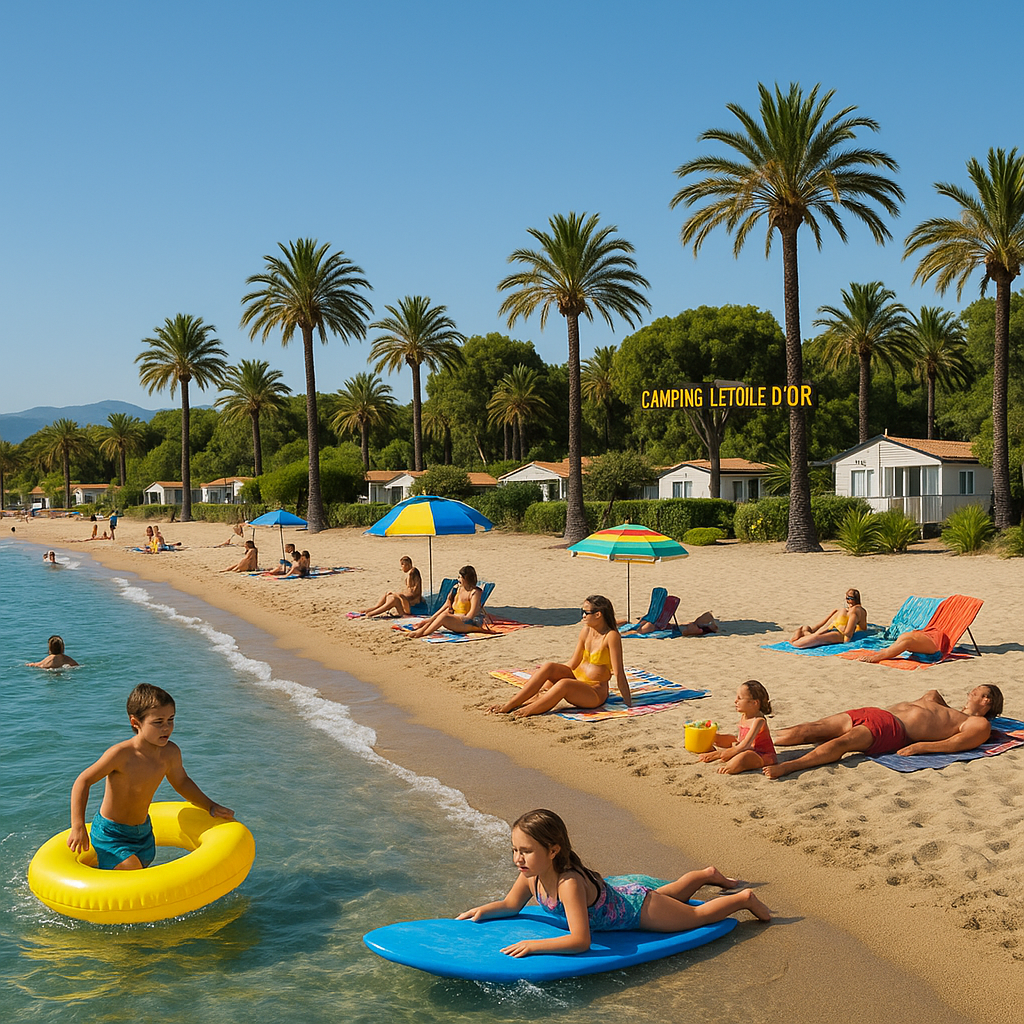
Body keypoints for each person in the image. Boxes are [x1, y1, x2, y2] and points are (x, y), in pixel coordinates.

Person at [457, 808, 769, 956]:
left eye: (526, 851)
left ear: (553, 850)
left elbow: (580, 941)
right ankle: (705, 875)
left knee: (696, 916)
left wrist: (534, 946)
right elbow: (511, 905)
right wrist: (482, 911)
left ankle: (744, 900)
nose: (518, 858)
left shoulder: (568, 884)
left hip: (637, 910)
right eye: (514, 850)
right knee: (673, 895)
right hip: (620, 896)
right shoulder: (531, 876)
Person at [67, 684, 233, 870]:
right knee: (131, 870)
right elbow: (83, 781)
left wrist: (210, 805)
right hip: (111, 834)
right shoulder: (121, 755)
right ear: (135, 722)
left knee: (136, 877)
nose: (166, 727)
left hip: (143, 832)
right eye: (158, 722)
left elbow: (181, 782)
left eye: (171, 720)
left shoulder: (170, 753)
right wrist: (78, 825)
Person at [763, 686, 1004, 779]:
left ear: (988, 701)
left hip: (892, 729)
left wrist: (921, 747)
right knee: (809, 729)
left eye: (979, 691)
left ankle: (789, 766)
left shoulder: (977, 724)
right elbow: (935, 707)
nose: (972, 691)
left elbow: (956, 744)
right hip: (875, 713)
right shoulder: (945, 706)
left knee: (841, 744)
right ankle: (755, 742)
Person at [488, 595, 631, 717]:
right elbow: (573, 663)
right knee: (549, 666)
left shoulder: (611, 636)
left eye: (586, 612)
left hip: (594, 692)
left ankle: (526, 711)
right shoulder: (586, 631)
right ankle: (511, 704)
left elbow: (618, 672)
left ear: (598, 614)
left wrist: (628, 702)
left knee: (564, 684)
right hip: (576, 679)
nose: (582, 615)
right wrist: (548, 679)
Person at [698, 680, 777, 774]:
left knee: (744, 757)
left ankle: (724, 758)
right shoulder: (744, 716)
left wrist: (732, 751)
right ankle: (720, 753)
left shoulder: (758, 721)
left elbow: (746, 744)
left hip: (761, 755)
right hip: (745, 748)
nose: (736, 701)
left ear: (754, 703)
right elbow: (740, 740)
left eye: (740, 698)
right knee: (720, 738)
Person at [406, 565, 488, 639]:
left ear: (466, 579)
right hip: (457, 619)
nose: (458, 579)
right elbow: (446, 605)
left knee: (444, 616)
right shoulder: (456, 588)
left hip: (469, 623)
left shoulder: (475, 592)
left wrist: (455, 616)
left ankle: (422, 633)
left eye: (460, 577)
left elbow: (471, 615)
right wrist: (429, 620)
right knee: (444, 613)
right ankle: (421, 630)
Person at [789, 588, 866, 648]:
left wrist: (846, 642)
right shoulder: (857, 611)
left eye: (847, 598)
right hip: (837, 631)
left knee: (813, 636)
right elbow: (849, 632)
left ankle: (806, 632)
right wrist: (846, 644)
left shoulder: (849, 611)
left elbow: (848, 633)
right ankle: (804, 634)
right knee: (813, 638)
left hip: (833, 628)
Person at [854, 627, 946, 664]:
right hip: (926, 636)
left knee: (905, 642)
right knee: (903, 641)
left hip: (931, 640)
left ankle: (878, 656)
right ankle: (881, 654)